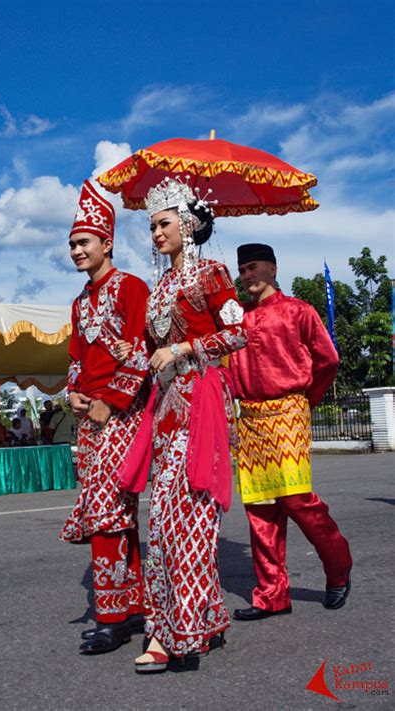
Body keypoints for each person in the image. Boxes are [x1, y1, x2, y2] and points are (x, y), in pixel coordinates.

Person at [123, 177, 247, 673]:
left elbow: (238, 333)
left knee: (188, 519)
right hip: (166, 409)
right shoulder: (160, 287)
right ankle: (198, 617)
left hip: (201, 402)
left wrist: (183, 348)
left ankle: (176, 632)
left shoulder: (211, 274)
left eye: (164, 223)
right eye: (151, 225)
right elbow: (147, 350)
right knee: (167, 521)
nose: (155, 233)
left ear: (188, 224)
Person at [230, 243, 352, 622]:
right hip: (249, 418)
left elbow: (328, 359)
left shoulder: (299, 310)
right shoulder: (238, 322)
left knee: (298, 500)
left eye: (253, 267)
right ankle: (271, 596)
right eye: (243, 270)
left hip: (288, 410)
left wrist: (305, 402)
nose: (247, 275)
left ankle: (338, 570)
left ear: (272, 268)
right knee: (260, 509)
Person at [59, 179, 150, 655]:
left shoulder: (133, 288)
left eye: (83, 242)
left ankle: (112, 618)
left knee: (106, 514)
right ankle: (134, 606)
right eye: (72, 244)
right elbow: (76, 357)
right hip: (89, 419)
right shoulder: (78, 303)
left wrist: (110, 402)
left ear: (106, 243)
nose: (76, 250)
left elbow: (141, 350)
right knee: (115, 515)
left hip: (122, 416)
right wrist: (75, 393)